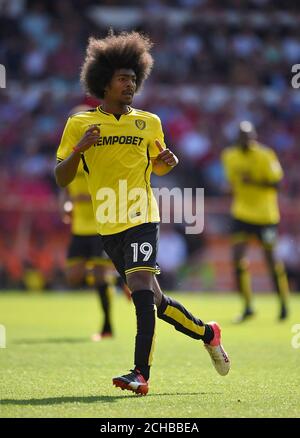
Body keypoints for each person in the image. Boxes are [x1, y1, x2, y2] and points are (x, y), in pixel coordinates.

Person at [55, 31, 230, 396]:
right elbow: (61, 176)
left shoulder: (149, 122)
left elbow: (159, 166)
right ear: (104, 82)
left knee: (137, 289)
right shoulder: (80, 125)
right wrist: (80, 150)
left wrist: (168, 161)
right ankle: (207, 333)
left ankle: (140, 373)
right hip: (107, 224)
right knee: (156, 299)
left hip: (141, 216)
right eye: (123, 78)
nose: (130, 84)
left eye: (134, 78)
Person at [221, 121, 289, 323]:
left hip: (266, 216)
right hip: (242, 214)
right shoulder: (229, 156)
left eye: (249, 136)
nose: (246, 140)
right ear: (237, 138)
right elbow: (233, 182)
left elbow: (277, 183)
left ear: (254, 137)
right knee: (237, 259)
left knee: (271, 260)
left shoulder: (266, 155)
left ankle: (283, 303)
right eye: (242, 136)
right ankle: (248, 306)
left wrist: (254, 182)